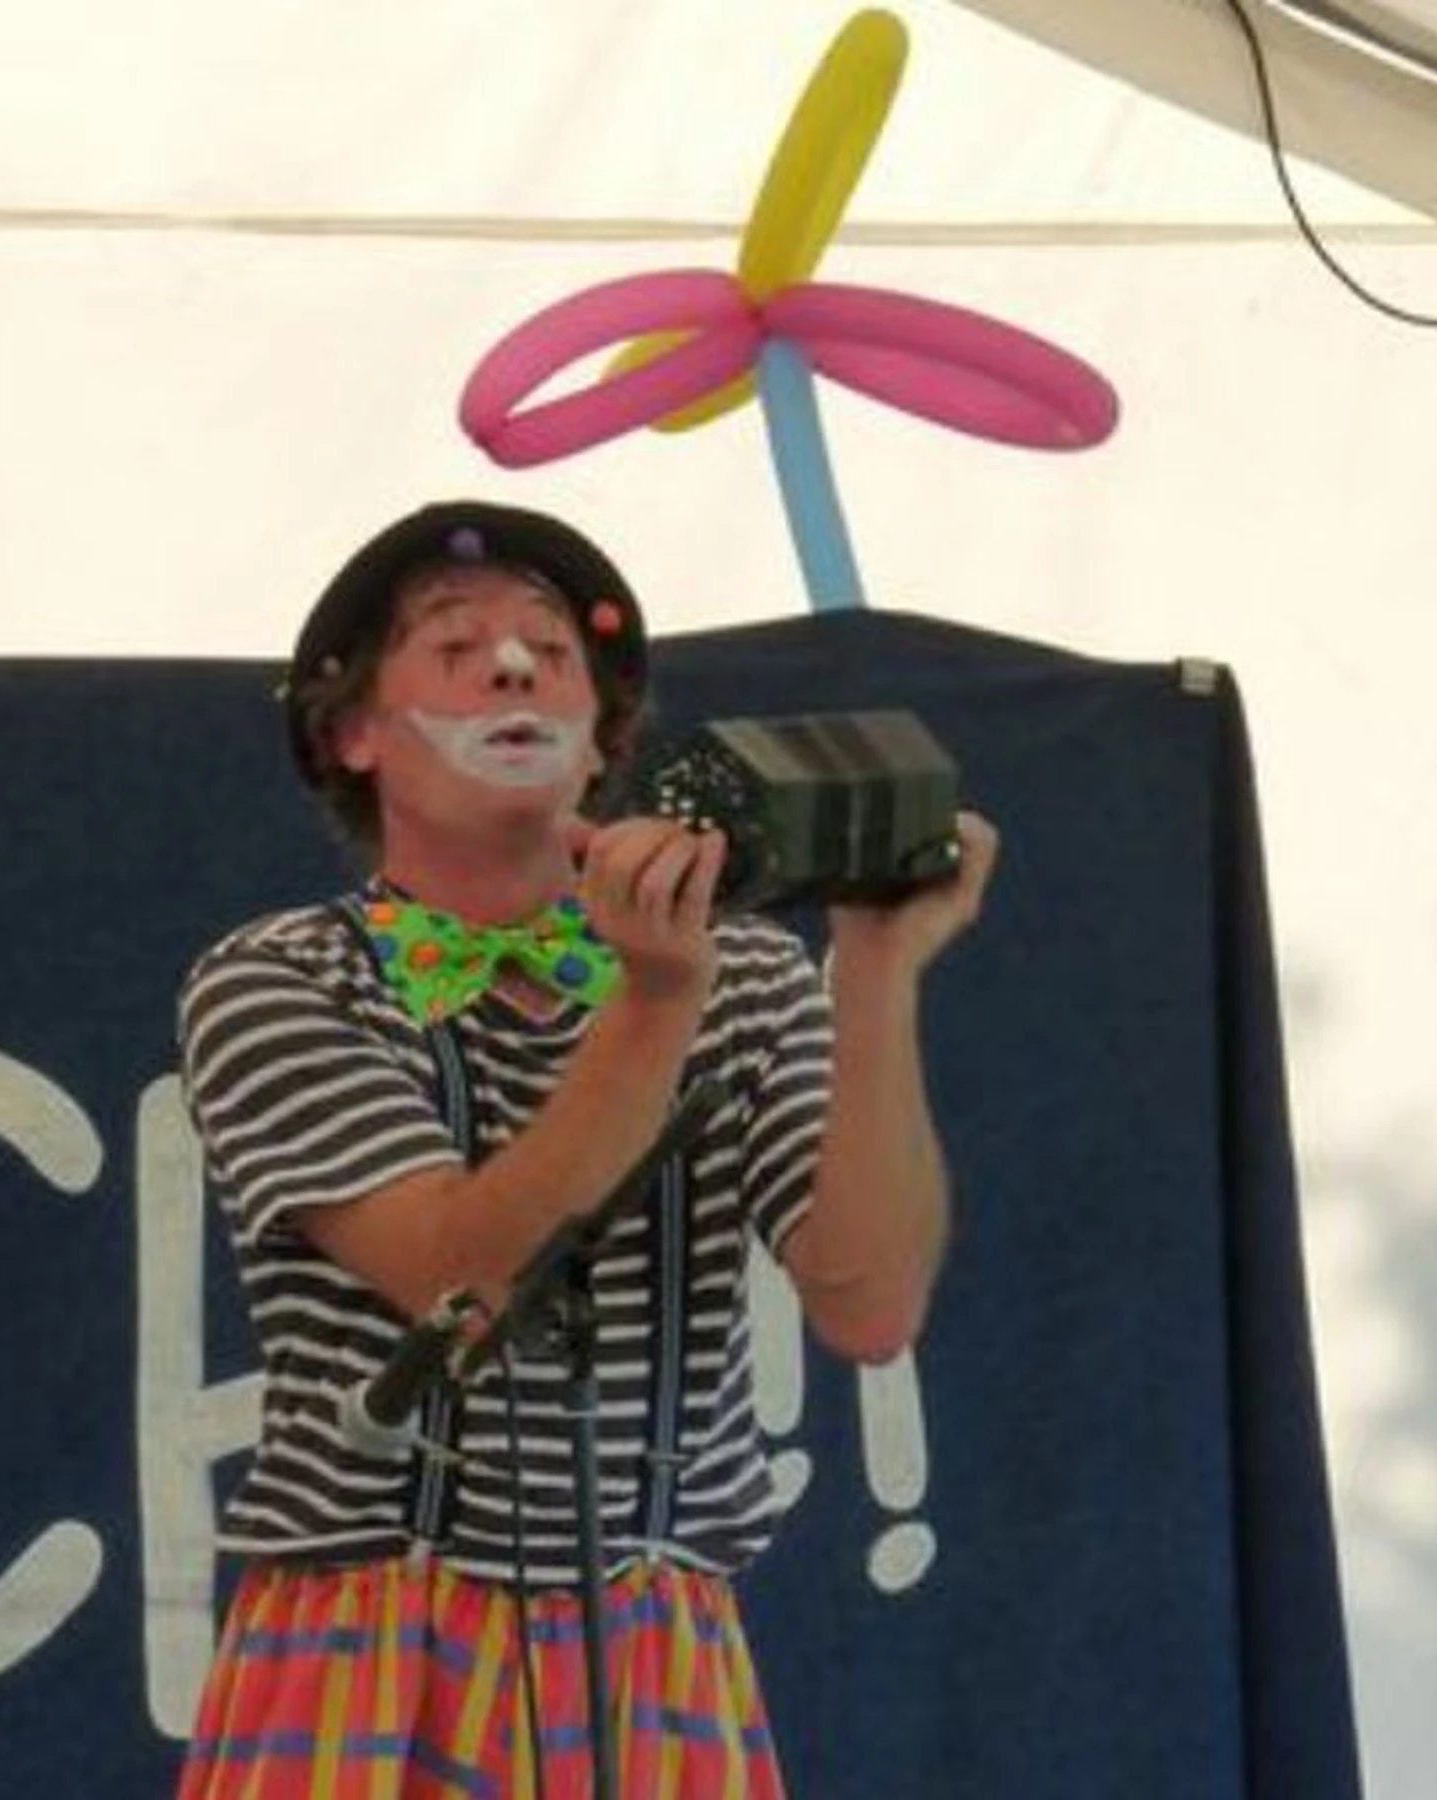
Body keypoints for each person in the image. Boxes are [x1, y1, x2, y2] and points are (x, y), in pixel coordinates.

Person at [173, 499, 997, 1798]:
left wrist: (876, 973)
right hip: (372, 1633)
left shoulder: (748, 976)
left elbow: (872, 1301)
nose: (513, 669)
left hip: (655, 1639)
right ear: (351, 733)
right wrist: (655, 1003)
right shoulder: (284, 978)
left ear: (607, 737)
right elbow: (458, 1275)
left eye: (552, 652)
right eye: (456, 646)